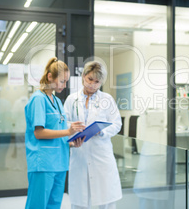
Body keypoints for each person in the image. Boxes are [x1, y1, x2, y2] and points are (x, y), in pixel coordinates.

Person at [24, 57, 85, 209]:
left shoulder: (57, 102)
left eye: (66, 82)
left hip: (60, 162)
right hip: (43, 163)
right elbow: (39, 133)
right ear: (50, 77)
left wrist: (71, 142)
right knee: (37, 205)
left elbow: (58, 132)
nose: (64, 85)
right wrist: (68, 131)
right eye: (62, 81)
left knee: (54, 205)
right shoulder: (38, 99)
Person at [64, 61, 122, 209]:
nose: (92, 85)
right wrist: (72, 133)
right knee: (80, 202)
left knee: (105, 201)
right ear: (83, 76)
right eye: (90, 79)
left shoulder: (107, 99)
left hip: (101, 155)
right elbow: (64, 124)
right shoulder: (72, 100)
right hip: (79, 155)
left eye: (97, 82)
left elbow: (117, 124)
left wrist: (102, 131)